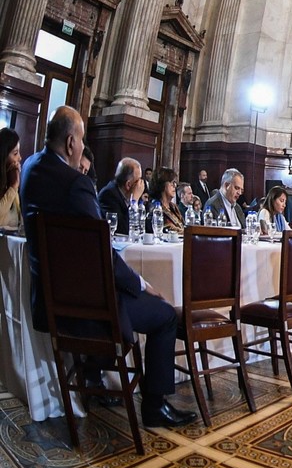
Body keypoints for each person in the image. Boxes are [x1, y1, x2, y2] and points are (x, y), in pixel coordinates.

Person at [21, 106, 196, 428]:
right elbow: (101, 250)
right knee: (165, 315)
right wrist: (140, 284)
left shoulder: (30, 167)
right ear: (71, 143)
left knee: (130, 296)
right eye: (81, 141)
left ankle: (93, 378)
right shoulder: (76, 183)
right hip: (88, 308)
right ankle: (154, 407)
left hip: (49, 301)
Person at [99, 158, 145, 235]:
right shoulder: (108, 195)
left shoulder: (130, 194)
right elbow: (122, 229)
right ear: (128, 184)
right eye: (138, 181)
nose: (141, 185)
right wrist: (134, 201)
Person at [149, 167, 183, 233]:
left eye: (175, 183)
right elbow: (166, 229)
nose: (174, 186)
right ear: (162, 184)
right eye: (172, 182)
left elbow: (183, 226)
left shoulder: (173, 207)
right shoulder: (155, 208)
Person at [0, 127, 21, 228]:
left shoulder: (10, 181)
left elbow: (19, 223)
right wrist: (13, 187)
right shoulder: (12, 185)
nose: (19, 158)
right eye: (15, 153)